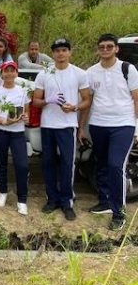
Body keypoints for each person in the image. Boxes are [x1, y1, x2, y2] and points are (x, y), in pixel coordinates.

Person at [80, 34, 138, 231]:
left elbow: (137, 99)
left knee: (116, 165)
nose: (105, 50)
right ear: (98, 49)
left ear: (116, 49)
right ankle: (104, 201)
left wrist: (137, 127)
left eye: (109, 46)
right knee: (102, 164)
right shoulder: (91, 72)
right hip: (98, 124)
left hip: (124, 124)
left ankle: (118, 212)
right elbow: (87, 101)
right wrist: (81, 127)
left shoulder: (127, 69)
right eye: (102, 47)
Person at [33, 38, 91, 221]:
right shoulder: (44, 74)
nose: (60, 53)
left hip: (67, 125)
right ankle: (52, 199)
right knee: (48, 162)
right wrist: (48, 100)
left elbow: (87, 100)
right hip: (48, 124)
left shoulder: (79, 73)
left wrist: (74, 107)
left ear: (70, 52)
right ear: (52, 54)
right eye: (57, 50)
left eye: (64, 50)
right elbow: (36, 101)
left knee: (67, 163)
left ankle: (67, 201)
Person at [0, 61, 30, 215]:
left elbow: (27, 112)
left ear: (16, 73)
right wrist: (5, 121)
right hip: (0, 131)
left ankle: (22, 199)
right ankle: (3, 192)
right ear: (2, 74)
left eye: (13, 71)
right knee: (1, 163)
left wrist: (25, 117)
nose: (9, 74)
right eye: (7, 71)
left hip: (18, 133)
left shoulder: (23, 91)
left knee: (22, 165)